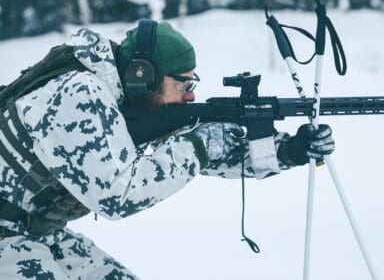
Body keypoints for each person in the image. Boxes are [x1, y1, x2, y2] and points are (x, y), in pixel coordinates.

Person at [0, 19, 334, 279]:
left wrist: (287, 152)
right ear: (142, 74)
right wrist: (200, 145)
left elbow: (204, 152)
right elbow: (118, 195)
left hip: (35, 231)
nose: (189, 95)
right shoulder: (78, 95)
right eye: (183, 83)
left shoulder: (128, 99)